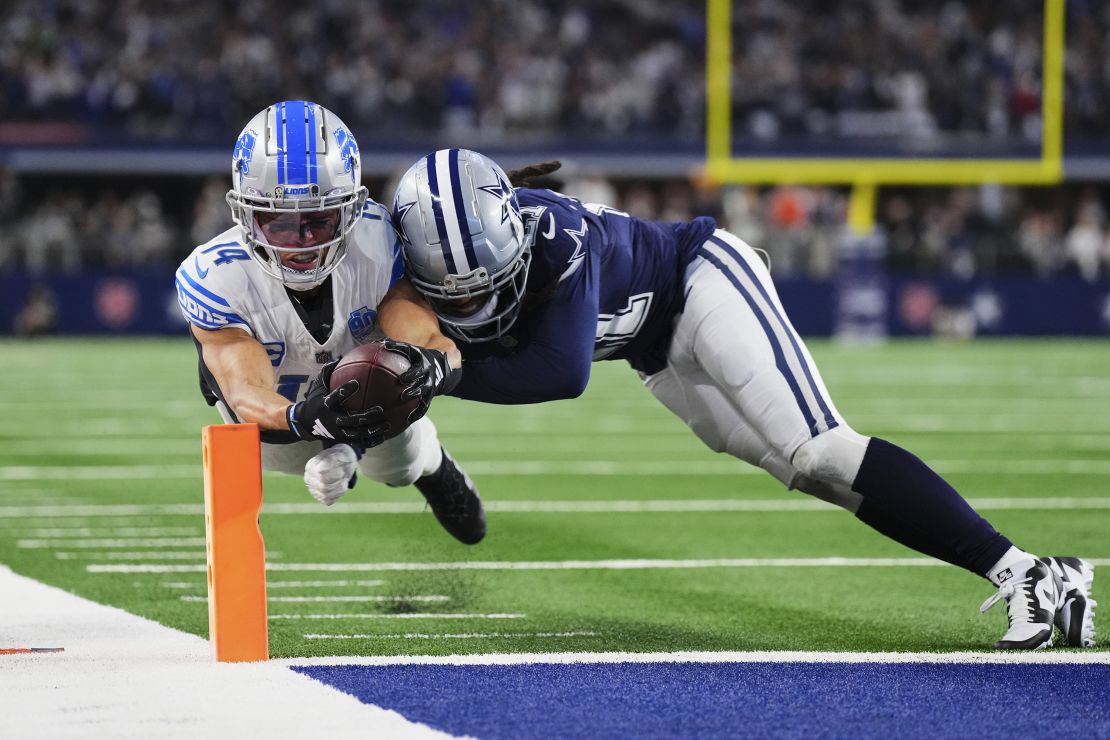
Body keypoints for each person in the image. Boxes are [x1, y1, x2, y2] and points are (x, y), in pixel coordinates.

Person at [377, 148, 1095, 649]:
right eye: (456, 292)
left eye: (487, 281)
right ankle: (1037, 571)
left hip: (702, 281)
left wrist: (443, 373)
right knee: (812, 474)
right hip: (652, 351)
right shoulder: (429, 256)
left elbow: (563, 373)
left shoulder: (557, 237)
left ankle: (1025, 574)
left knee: (822, 445)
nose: (476, 299)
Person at [174, 103, 484, 545]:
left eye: (319, 221)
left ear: (351, 210)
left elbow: (425, 339)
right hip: (270, 430)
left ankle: (432, 464)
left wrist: (431, 367)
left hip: (369, 397)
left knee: (399, 464)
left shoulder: (378, 245)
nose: (301, 243)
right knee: (254, 459)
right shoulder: (216, 276)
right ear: (245, 215)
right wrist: (306, 418)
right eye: (278, 222)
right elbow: (245, 392)